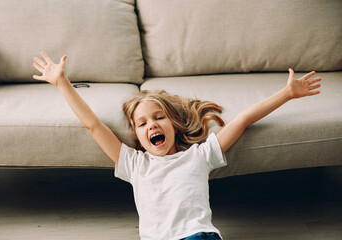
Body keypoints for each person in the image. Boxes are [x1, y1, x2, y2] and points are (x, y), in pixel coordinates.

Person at [32, 52, 321, 240]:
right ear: (136, 135)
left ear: (175, 124)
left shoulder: (200, 155)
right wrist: (62, 83)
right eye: (142, 123)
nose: (152, 125)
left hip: (199, 235)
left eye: (159, 117)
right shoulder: (134, 163)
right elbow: (94, 125)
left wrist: (286, 94)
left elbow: (242, 120)